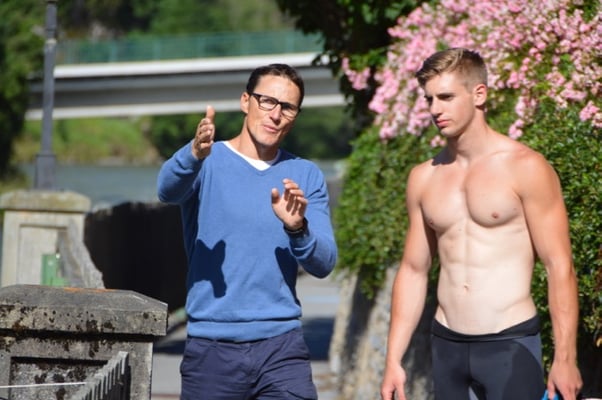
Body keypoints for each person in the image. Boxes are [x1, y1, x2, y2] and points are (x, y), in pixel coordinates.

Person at [380, 48, 583, 400]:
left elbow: (558, 265)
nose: (434, 109)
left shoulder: (525, 167)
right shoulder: (423, 178)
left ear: (479, 94)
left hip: (509, 343)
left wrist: (565, 358)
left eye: (446, 97)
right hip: (446, 345)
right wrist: (393, 359)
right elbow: (413, 270)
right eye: (429, 99)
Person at [157, 63, 338, 400]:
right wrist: (193, 154)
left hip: (282, 349)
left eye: (288, 107)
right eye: (267, 101)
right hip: (212, 347)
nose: (275, 114)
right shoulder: (207, 161)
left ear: (295, 116)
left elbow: (325, 263)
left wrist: (298, 228)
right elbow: (167, 191)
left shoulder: (305, 175)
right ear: (245, 101)